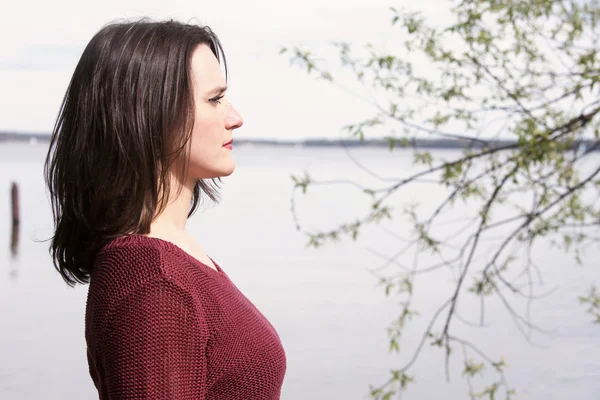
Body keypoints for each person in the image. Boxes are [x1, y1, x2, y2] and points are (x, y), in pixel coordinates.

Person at [44, 19, 287, 399]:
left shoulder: (174, 256)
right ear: (153, 113)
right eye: (214, 99)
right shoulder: (153, 280)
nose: (235, 117)